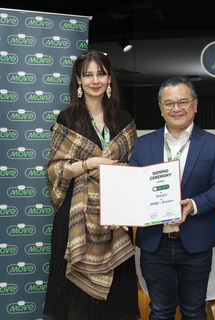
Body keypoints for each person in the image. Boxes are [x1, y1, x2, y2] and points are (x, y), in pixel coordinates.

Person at [44, 50, 140, 320]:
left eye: (101, 73)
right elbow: (54, 170)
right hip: (75, 222)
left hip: (115, 220)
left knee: (115, 304)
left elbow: (134, 170)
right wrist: (91, 164)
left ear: (109, 78)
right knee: (76, 305)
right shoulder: (67, 119)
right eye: (88, 74)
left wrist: (115, 171)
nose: (95, 80)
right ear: (78, 80)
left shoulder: (124, 120)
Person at [130, 76, 215, 320]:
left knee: (194, 312)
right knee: (160, 312)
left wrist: (194, 205)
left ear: (195, 104)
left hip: (196, 243)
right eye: (169, 103)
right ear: (160, 108)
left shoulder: (214, 144)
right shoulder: (142, 144)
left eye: (183, 102)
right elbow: (132, 187)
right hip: (155, 244)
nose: (176, 108)